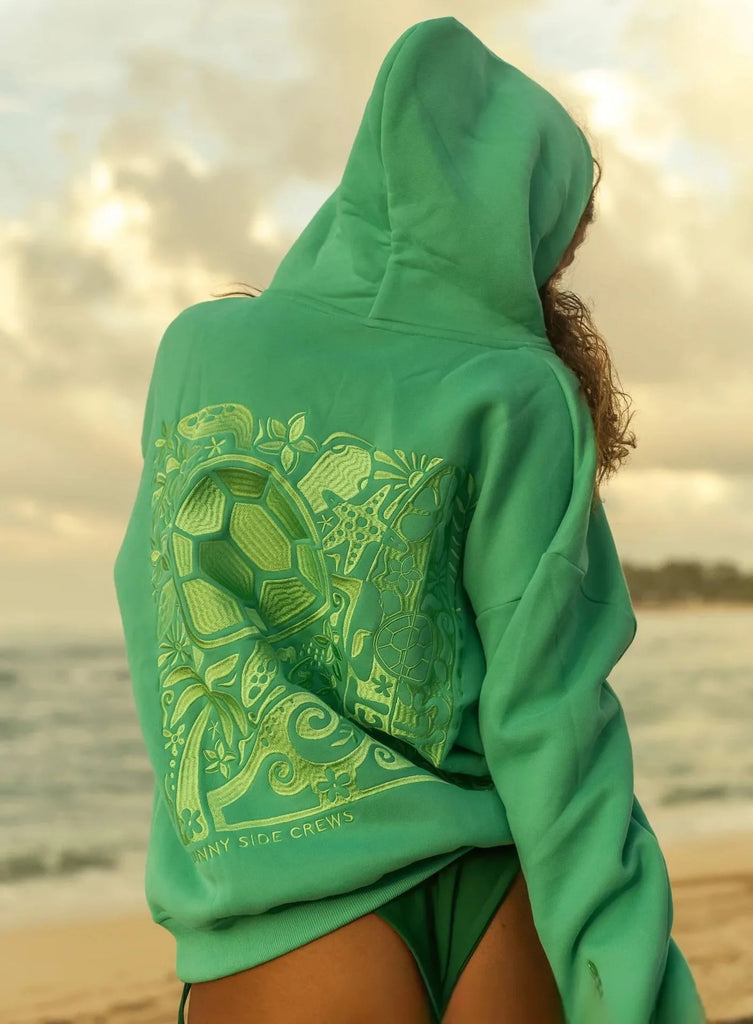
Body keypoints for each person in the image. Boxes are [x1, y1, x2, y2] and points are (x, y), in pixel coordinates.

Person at [113, 15, 709, 1024]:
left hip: (295, 916)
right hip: (502, 902)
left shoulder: (199, 355)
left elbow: (159, 625)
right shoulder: (522, 391)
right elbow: (554, 723)